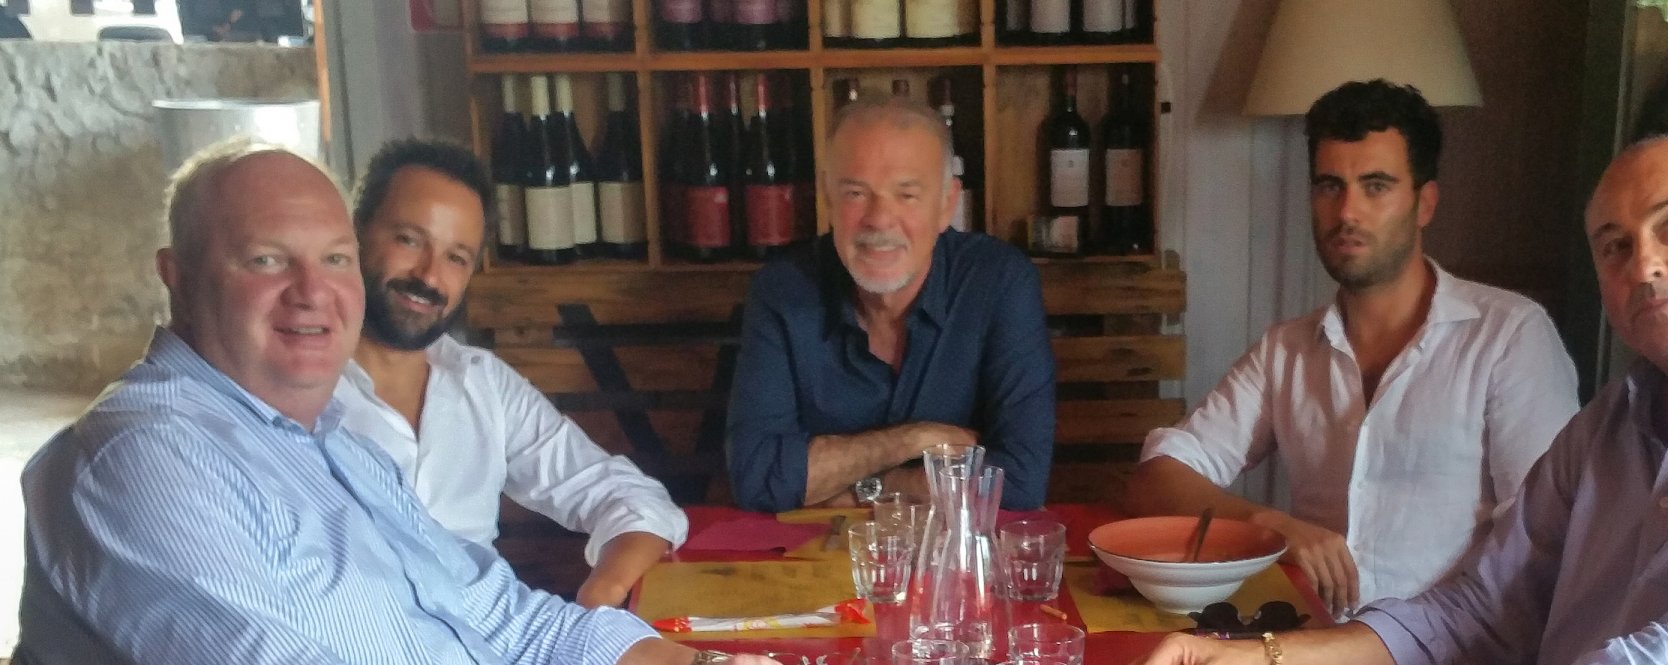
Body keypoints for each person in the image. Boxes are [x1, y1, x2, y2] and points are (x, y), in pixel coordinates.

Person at [1134, 135, 1668, 665]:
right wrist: (1260, 657)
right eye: (1615, 245)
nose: (1644, 265)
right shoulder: (1610, 422)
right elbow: (1477, 608)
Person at [15, 140, 764, 665]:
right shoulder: (144, 456)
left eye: (333, 259)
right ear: (177, 276)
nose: (313, 291)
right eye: (267, 259)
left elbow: (502, 617)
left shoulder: (333, 443)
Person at [1124, 80, 1579, 616]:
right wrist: (1266, 523)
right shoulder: (1286, 351)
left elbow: (1543, 544)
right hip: (1307, 638)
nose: (1347, 213)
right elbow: (1157, 478)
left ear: (1425, 203)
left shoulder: (1509, 336)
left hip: (1454, 644)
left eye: (1376, 186)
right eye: (1329, 187)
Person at [333, 139, 688, 609]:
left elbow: (630, 498)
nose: (430, 276)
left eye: (456, 257)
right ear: (352, 234)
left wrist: (601, 596)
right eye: (410, 240)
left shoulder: (481, 383)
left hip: (483, 638)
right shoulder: (295, 396)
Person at [726, 98, 1056, 512]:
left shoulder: (999, 282)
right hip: (816, 549)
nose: (880, 219)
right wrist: (915, 440)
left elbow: (1020, 483)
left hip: (953, 550)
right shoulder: (782, 290)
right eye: (856, 193)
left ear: (947, 204)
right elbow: (757, 480)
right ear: (828, 199)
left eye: (907, 195)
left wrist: (861, 488)